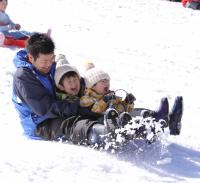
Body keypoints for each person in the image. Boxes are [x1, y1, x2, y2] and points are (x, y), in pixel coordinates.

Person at [12, 33, 183, 150]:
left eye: (51, 60)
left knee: (106, 108)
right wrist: (79, 108)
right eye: (44, 62)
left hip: (66, 107)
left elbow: (72, 81)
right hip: (41, 124)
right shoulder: (23, 77)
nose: (48, 65)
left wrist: (94, 95)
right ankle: (104, 135)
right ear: (30, 58)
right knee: (72, 124)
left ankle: (158, 120)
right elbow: (44, 108)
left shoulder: (52, 66)